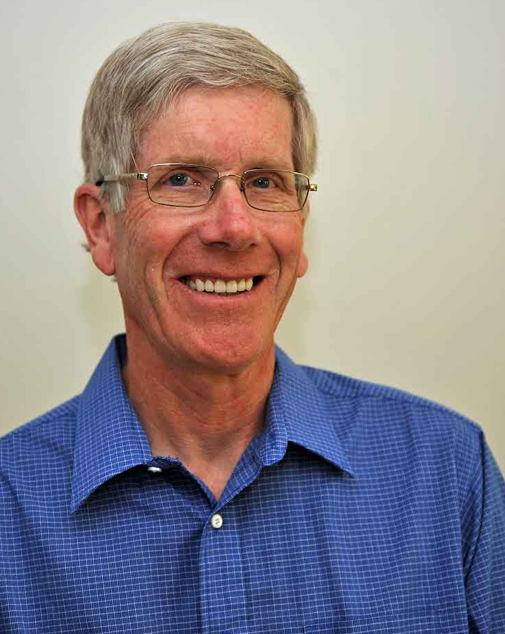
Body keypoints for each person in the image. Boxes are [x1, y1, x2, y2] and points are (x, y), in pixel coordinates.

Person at [0, 21, 503, 634]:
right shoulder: (9, 510)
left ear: (301, 222)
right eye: (182, 179)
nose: (234, 227)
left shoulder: (446, 473)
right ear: (101, 226)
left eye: (264, 182)